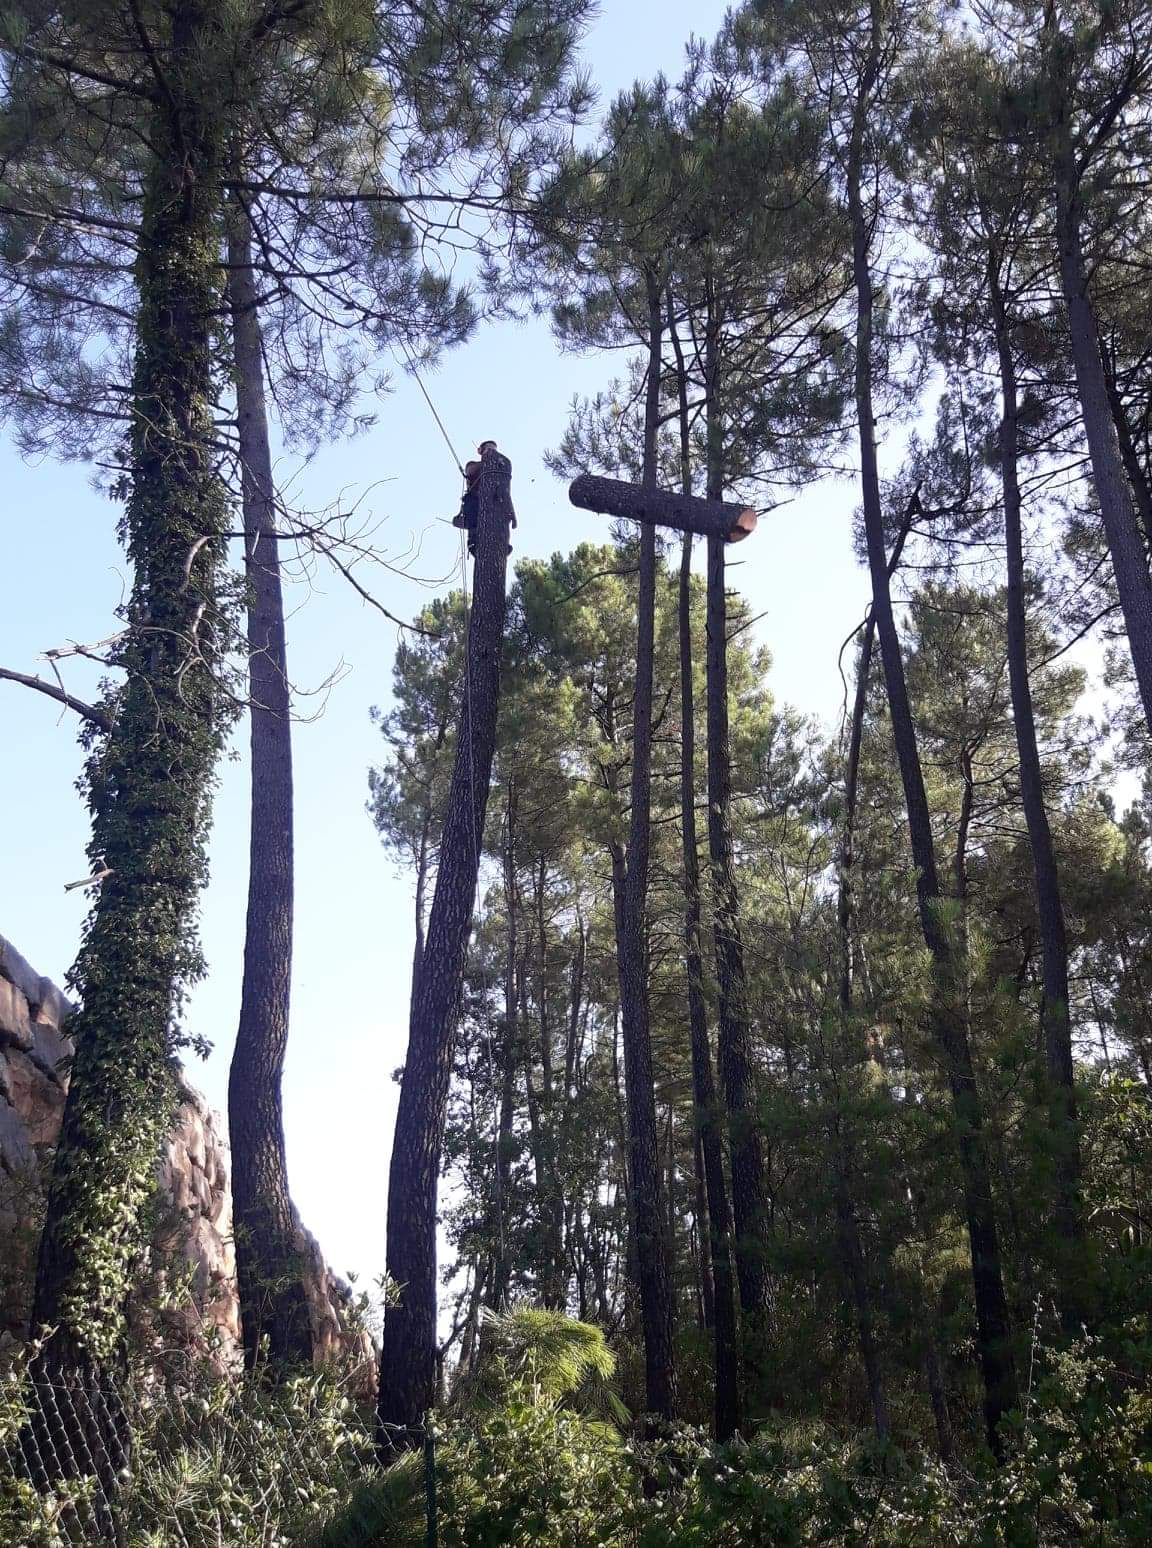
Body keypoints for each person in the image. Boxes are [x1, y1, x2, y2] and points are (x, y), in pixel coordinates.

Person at [451, 441, 514, 557]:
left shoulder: (499, 469)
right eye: (488, 449)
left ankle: (502, 543)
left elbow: (505, 493)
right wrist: (487, 462)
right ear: (480, 451)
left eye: (494, 450)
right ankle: (474, 542)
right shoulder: (473, 465)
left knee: (502, 515)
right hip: (475, 501)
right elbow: (470, 470)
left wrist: (512, 515)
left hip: (494, 502)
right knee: (473, 511)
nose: (492, 452)